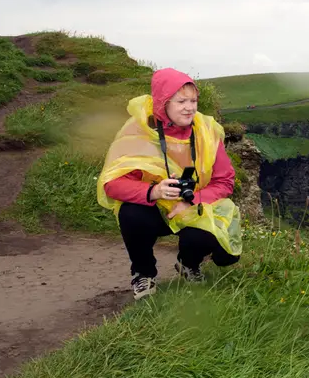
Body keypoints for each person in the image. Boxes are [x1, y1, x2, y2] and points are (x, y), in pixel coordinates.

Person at [96, 67, 242, 299]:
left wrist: (193, 200)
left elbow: (224, 181)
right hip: (154, 209)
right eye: (181, 101)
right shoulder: (138, 131)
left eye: (193, 100)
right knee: (131, 213)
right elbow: (112, 184)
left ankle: (188, 264)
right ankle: (143, 273)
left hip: (191, 208)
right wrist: (153, 191)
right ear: (163, 102)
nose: (190, 107)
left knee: (222, 249)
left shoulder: (206, 131)